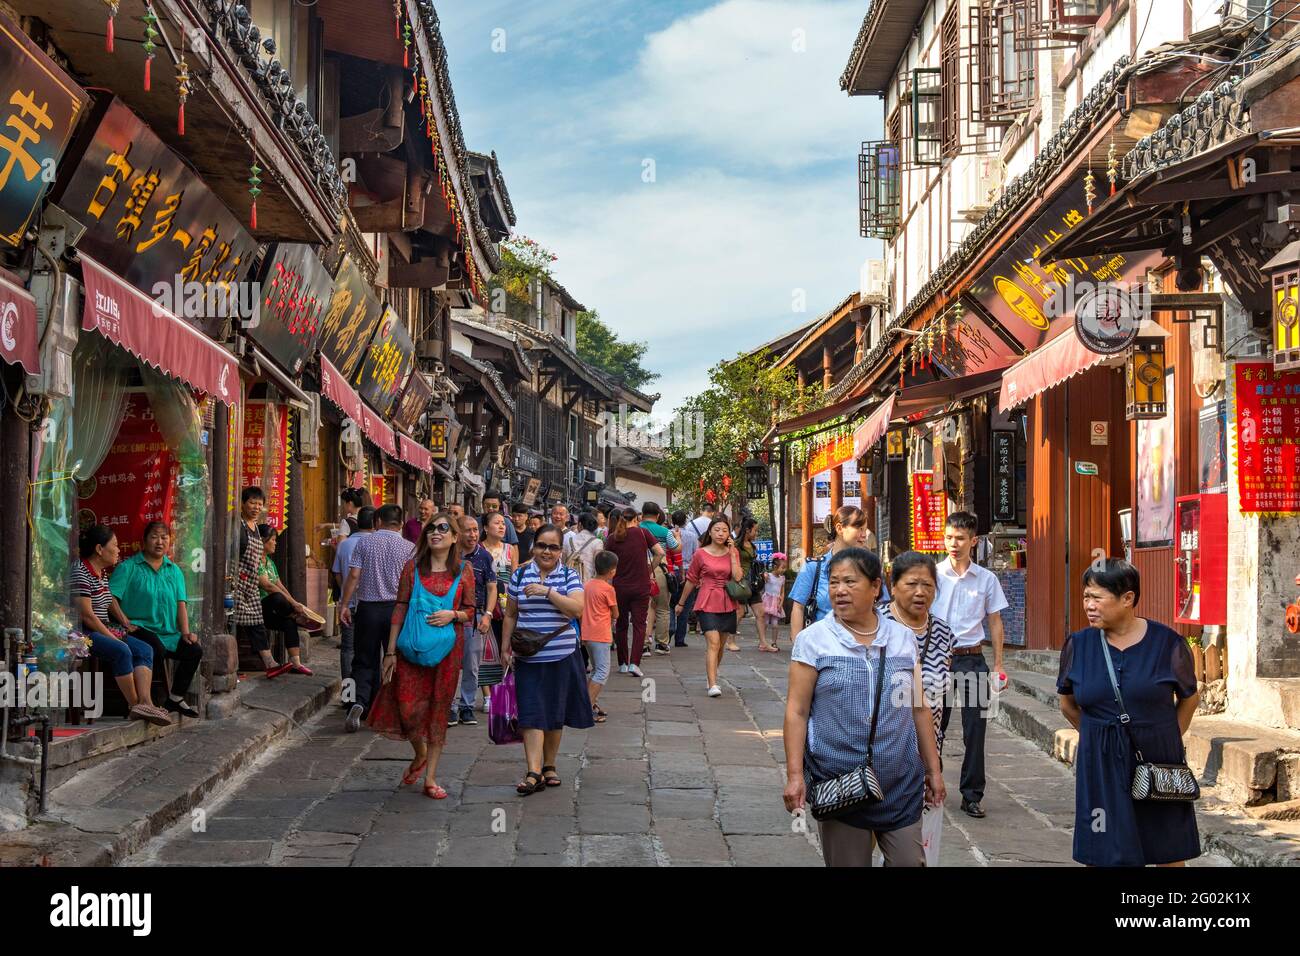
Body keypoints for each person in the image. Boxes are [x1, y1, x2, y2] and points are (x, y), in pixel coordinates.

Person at [782, 548, 945, 867]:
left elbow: (919, 709)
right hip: (840, 782)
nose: (839, 590)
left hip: (900, 780)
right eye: (833, 582)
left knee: (910, 861)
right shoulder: (814, 641)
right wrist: (794, 775)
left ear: (875, 587)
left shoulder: (900, 638)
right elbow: (797, 711)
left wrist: (933, 770)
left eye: (850, 582)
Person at [1057, 559, 1201, 867]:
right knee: (1103, 845)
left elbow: (1189, 698)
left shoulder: (1168, 644)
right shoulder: (1079, 645)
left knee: (1167, 848)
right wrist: (1098, 734)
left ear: (1128, 598)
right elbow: (1067, 703)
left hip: (1158, 757)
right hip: (1100, 762)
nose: (1089, 605)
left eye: (1097, 597)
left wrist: (1167, 736)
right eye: (1086, 597)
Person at [367, 511, 475, 799]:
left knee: (439, 709)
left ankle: (430, 777)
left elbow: (471, 611)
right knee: (408, 708)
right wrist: (389, 651)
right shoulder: (411, 568)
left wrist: (452, 614)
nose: (436, 533)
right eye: (431, 529)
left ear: (454, 538)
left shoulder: (464, 571)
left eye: (443, 528)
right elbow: (399, 607)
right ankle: (420, 753)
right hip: (410, 648)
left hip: (447, 652)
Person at [501, 524, 593, 795]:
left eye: (553, 547)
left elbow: (577, 609)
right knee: (531, 713)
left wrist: (548, 592)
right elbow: (510, 614)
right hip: (528, 657)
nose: (546, 551)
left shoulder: (569, 576)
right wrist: (505, 647)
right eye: (542, 545)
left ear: (560, 551)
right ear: (534, 547)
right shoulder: (519, 575)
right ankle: (533, 771)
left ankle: (549, 764)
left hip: (562, 655)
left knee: (555, 712)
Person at [879, 550, 955, 866]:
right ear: (892, 585)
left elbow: (936, 705)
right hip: (876, 754)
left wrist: (933, 767)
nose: (920, 592)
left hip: (921, 758)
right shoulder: (874, 625)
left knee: (910, 853)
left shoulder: (943, 634)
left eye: (928, 585)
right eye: (911, 583)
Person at [933, 511, 1008, 819]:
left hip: (973, 659)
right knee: (933, 726)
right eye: (949, 537)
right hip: (937, 660)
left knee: (975, 731)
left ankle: (971, 794)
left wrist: (999, 665)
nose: (954, 543)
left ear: (973, 541)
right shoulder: (933, 575)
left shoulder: (987, 579)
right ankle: (928, 784)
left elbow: (995, 621)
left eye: (961, 538)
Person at [72, 525, 170, 726]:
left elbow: (108, 601)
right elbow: (87, 616)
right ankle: (135, 705)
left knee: (144, 649)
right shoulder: (80, 571)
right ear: (100, 549)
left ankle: (146, 703)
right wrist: (111, 635)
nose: (118, 550)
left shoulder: (102, 574)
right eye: (115, 545)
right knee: (122, 650)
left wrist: (124, 622)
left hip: (102, 627)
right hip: (81, 633)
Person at [110, 521, 204, 717]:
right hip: (139, 628)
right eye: (154, 537)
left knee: (193, 650)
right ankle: (149, 700)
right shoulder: (129, 567)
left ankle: (176, 697)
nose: (159, 542)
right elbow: (110, 598)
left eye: (164, 537)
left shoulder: (174, 570)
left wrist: (186, 632)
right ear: (143, 542)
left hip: (168, 632)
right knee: (155, 649)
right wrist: (125, 622)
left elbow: (181, 604)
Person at [340, 504, 416, 733]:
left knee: (362, 660)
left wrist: (345, 604)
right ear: (401, 524)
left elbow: (354, 575)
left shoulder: (364, 543)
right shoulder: (409, 547)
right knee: (396, 660)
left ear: (378, 522)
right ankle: (397, 710)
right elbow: (413, 582)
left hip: (368, 609)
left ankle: (356, 703)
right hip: (397, 609)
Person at [788, 505, 886, 639]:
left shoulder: (871, 568)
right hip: (822, 647)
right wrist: (798, 647)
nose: (864, 535)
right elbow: (798, 607)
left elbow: (883, 605)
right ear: (839, 528)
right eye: (858, 528)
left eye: (865, 529)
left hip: (863, 646)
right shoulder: (812, 567)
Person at [675, 515, 742, 698]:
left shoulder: (732, 552)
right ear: (710, 532)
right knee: (713, 642)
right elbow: (691, 580)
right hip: (706, 600)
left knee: (720, 645)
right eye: (717, 530)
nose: (720, 534)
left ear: (729, 534)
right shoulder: (701, 553)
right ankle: (713, 684)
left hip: (727, 601)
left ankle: (711, 674)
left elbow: (737, 577)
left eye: (724, 530)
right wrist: (681, 603)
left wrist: (733, 553)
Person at [234, 486, 292, 677]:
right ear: (242, 504)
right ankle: (265, 663)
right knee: (244, 622)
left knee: (255, 621)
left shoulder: (256, 529)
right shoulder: (237, 525)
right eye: (252, 502)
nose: (256, 507)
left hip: (251, 583)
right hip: (238, 582)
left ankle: (270, 663)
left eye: (259, 504)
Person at [604, 507, 664, 678]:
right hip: (641, 586)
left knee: (621, 625)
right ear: (636, 519)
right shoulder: (643, 533)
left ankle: (622, 663)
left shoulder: (612, 538)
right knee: (639, 625)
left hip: (619, 587)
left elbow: (606, 560)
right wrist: (649, 569)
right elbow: (660, 553)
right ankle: (634, 663)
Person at [451, 513, 496, 726]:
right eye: (467, 530)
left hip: (475, 616)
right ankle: (450, 706)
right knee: (449, 663)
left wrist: (487, 614)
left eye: (475, 530)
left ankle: (466, 706)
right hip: (450, 616)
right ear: (457, 533)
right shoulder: (450, 555)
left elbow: (492, 587)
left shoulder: (484, 556)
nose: (473, 534)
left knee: (471, 664)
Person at [255, 524, 314, 675]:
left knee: (289, 622)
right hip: (256, 607)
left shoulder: (270, 562)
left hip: (272, 611)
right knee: (277, 597)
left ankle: (296, 663)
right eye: (273, 540)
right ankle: (295, 615)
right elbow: (268, 586)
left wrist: (295, 603)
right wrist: (293, 605)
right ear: (262, 540)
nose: (275, 543)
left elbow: (279, 585)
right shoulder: (255, 560)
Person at [332, 506, 375, 688]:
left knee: (348, 649)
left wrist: (345, 589)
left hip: (347, 604)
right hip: (371, 604)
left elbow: (336, 572)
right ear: (375, 523)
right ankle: (367, 691)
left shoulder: (345, 544)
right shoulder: (374, 544)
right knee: (370, 648)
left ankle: (348, 694)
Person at [481, 510, 517, 700]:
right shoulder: (479, 549)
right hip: (486, 604)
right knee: (485, 649)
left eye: (503, 523)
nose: (502, 526)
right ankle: (487, 695)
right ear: (486, 528)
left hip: (506, 605)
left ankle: (503, 691)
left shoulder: (510, 549)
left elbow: (514, 577)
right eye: (497, 523)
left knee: (506, 647)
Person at [583, 551, 619, 723]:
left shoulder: (587, 585)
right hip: (601, 634)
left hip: (587, 633)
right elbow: (616, 613)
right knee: (602, 672)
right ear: (612, 571)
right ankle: (586, 707)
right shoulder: (608, 589)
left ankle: (590, 702)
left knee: (596, 669)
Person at [639, 503, 679, 655]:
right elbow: (676, 548)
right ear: (657, 515)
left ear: (642, 514)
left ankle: (643, 645)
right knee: (662, 607)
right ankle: (662, 644)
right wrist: (678, 538)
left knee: (642, 609)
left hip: (640, 569)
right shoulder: (664, 531)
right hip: (659, 570)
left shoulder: (636, 529)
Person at [734, 516, 771, 653]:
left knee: (760, 613)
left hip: (753, 583)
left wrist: (762, 573)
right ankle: (730, 640)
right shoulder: (736, 545)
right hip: (742, 582)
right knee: (740, 612)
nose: (756, 533)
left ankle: (763, 642)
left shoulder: (753, 545)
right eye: (755, 530)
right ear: (748, 530)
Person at [563, 511, 603, 583]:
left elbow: (563, 562)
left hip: (569, 581)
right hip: (588, 583)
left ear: (580, 524)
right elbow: (598, 567)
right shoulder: (598, 542)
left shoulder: (569, 540)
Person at [666, 510, 688, 639]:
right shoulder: (691, 535)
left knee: (670, 603)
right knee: (684, 604)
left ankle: (670, 629)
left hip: (670, 571)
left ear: (672, 521)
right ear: (685, 521)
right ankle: (680, 638)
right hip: (687, 571)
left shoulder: (667, 534)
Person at [760, 553, 787, 652]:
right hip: (767, 601)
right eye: (782, 567)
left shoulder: (782, 578)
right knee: (765, 622)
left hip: (776, 603)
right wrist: (764, 574)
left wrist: (781, 603)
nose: (784, 570)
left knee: (775, 624)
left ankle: (774, 642)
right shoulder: (769, 576)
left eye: (785, 568)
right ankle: (763, 641)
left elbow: (782, 592)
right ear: (775, 566)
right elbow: (763, 576)